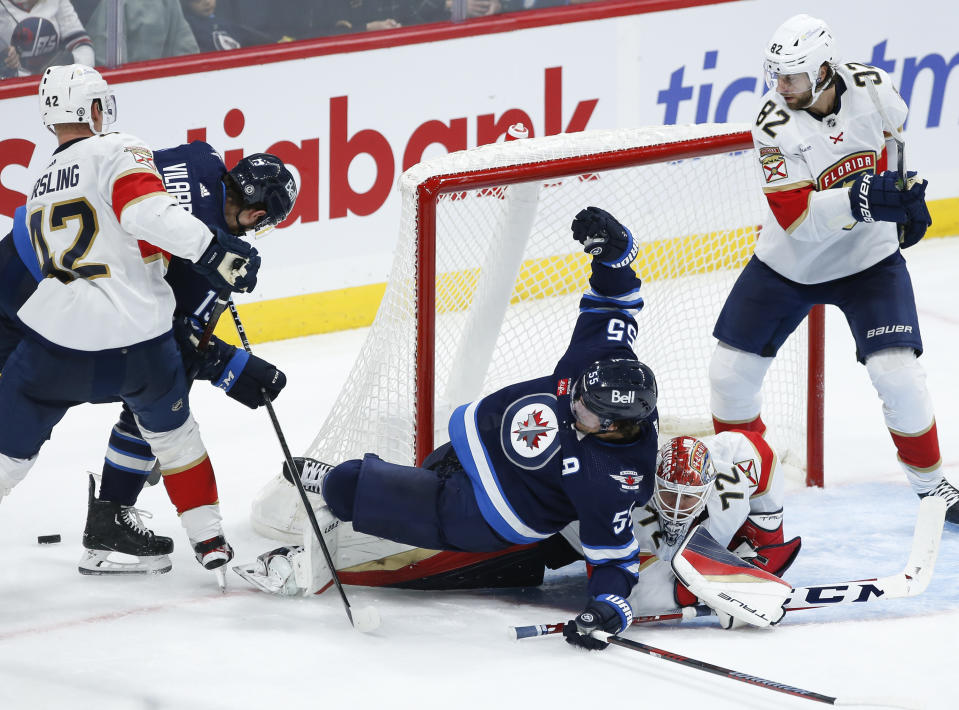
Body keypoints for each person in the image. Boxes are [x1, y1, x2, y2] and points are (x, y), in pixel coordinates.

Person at [237, 206, 661, 649]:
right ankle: (374, 491)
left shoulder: (612, 480)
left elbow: (615, 555)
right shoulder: (602, 370)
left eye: (588, 415)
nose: (571, 407)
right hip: (466, 452)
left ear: (615, 428)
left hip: (476, 512)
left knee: (347, 486)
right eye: (575, 396)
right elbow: (616, 303)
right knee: (417, 473)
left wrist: (610, 607)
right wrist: (615, 258)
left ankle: (326, 504)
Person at [0, 64, 258, 581]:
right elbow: (146, 213)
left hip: (55, 345)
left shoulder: (40, 186)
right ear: (95, 110)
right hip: (139, 345)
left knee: (6, 453)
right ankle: (209, 542)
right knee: (176, 437)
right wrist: (215, 251)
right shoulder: (118, 147)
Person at [708, 14, 958, 523]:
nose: (781, 87)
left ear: (824, 70)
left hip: (869, 259)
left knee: (900, 376)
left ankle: (934, 489)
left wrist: (903, 195)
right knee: (730, 375)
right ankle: (749, 491)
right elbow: (797, 218)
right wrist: (867, 196)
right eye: (775, 76)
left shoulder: (875, 86)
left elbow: (893, 146)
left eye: (792, 77)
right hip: (789, 265)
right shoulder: (771, 123)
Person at [79, 147, 297, 575]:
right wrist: (230, 368)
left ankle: (108, 519)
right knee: (157, 391)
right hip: (87, 321)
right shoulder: (205, 267)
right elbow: (173, 347)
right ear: (255, 216)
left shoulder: (198, 158)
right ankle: (112, 522)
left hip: (60, 258)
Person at [0, 0, 93, 77]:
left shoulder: (57, 1)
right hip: (14, 89)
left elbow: (82, 44)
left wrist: (74, 65)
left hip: (56, 84)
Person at [87, 0, 198, 64]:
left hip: (164, 83)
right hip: (129, 88)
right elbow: (108, 61)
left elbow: (186, 48)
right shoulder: (114, 4)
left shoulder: (169, 2)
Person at [179, 0, 272, 52]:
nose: (206, 2)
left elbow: (249, 36)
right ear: (186, 4)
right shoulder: (189, 27)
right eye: (198, 0)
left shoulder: (225, 23)